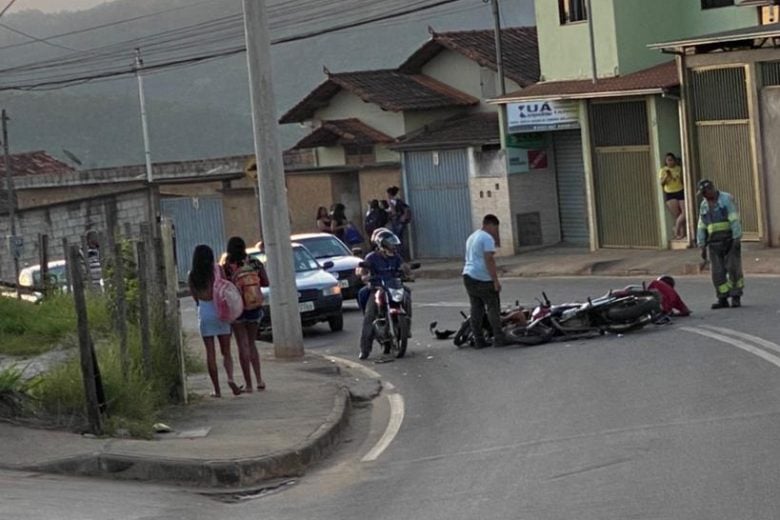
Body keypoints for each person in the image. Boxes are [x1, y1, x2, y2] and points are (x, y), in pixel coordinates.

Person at [188, 245, 242, 398]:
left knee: (210, 353)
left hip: (205, 313)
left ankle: (217, 389)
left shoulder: (192, 275)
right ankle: (231, 378)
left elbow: (195, 298)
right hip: (221, 312)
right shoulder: (217, 270)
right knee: (226, 352)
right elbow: (224, 288)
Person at [358, 230, 410, 360]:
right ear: (382, 244)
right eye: (390, 243)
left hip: (393, 287)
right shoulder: (371, 257)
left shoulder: (396, 257)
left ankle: (406, 326)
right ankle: (365, 349)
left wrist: (407, 271)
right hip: (378, 289)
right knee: (369, 316)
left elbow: (404, 267)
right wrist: (365, 277)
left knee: (407, 294)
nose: (393, 246)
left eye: (393, 243)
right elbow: (363, 272)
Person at [223, 236, 267, 391]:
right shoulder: (254, 262)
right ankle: (260, 380)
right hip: (254, 307)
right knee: (252, 343)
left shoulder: (227, 265)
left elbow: (225, 287)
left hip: (237, 309)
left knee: (242, 344)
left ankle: (248, 384)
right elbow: (266, 281)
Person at [696, 179, 744, 309]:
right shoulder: (704, 204)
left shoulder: (726, 199)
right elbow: (702, 224)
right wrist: (701, 244)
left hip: (729, 240)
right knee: (717, 272)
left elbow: (734, 219)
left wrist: (736, 238)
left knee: (733, 269)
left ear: (712, 189)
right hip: (713, 242)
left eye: (706, 192)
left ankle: (735, 296)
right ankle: (722, 297)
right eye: (703, 194)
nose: (705, 196)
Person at [463, 214, 507, 348]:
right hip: (483, 278)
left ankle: (479, 340)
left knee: (476, 309)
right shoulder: (487, 238)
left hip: (468, 275)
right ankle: (499, 338)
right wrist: (495, 280)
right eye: (495, 228)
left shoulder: (472, 236)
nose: (495, 232)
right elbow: (489, 259)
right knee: (493, 308)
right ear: (490, 225)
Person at [659, 153, 686, 240]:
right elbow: (661, 183)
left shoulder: (678, 168)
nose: (670, 162)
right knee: (677, 214)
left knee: (684, 213)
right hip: (670, 193)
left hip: (680, 190)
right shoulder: (663, 170)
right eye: (668, 160)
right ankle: (681, 234)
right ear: (666, 161)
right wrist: (666, 176)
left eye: (671, 160)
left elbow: (682, 179)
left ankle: (676, 228)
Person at [387, 186, 411, 259]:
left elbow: (394, 212)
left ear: (390, 194)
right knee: (399, 239)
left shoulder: (394, 201)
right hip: (399, 222)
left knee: (396, 240)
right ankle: (402, 256)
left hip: (397, 222)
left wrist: (390, 206)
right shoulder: (399, 201)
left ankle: (400, 257)